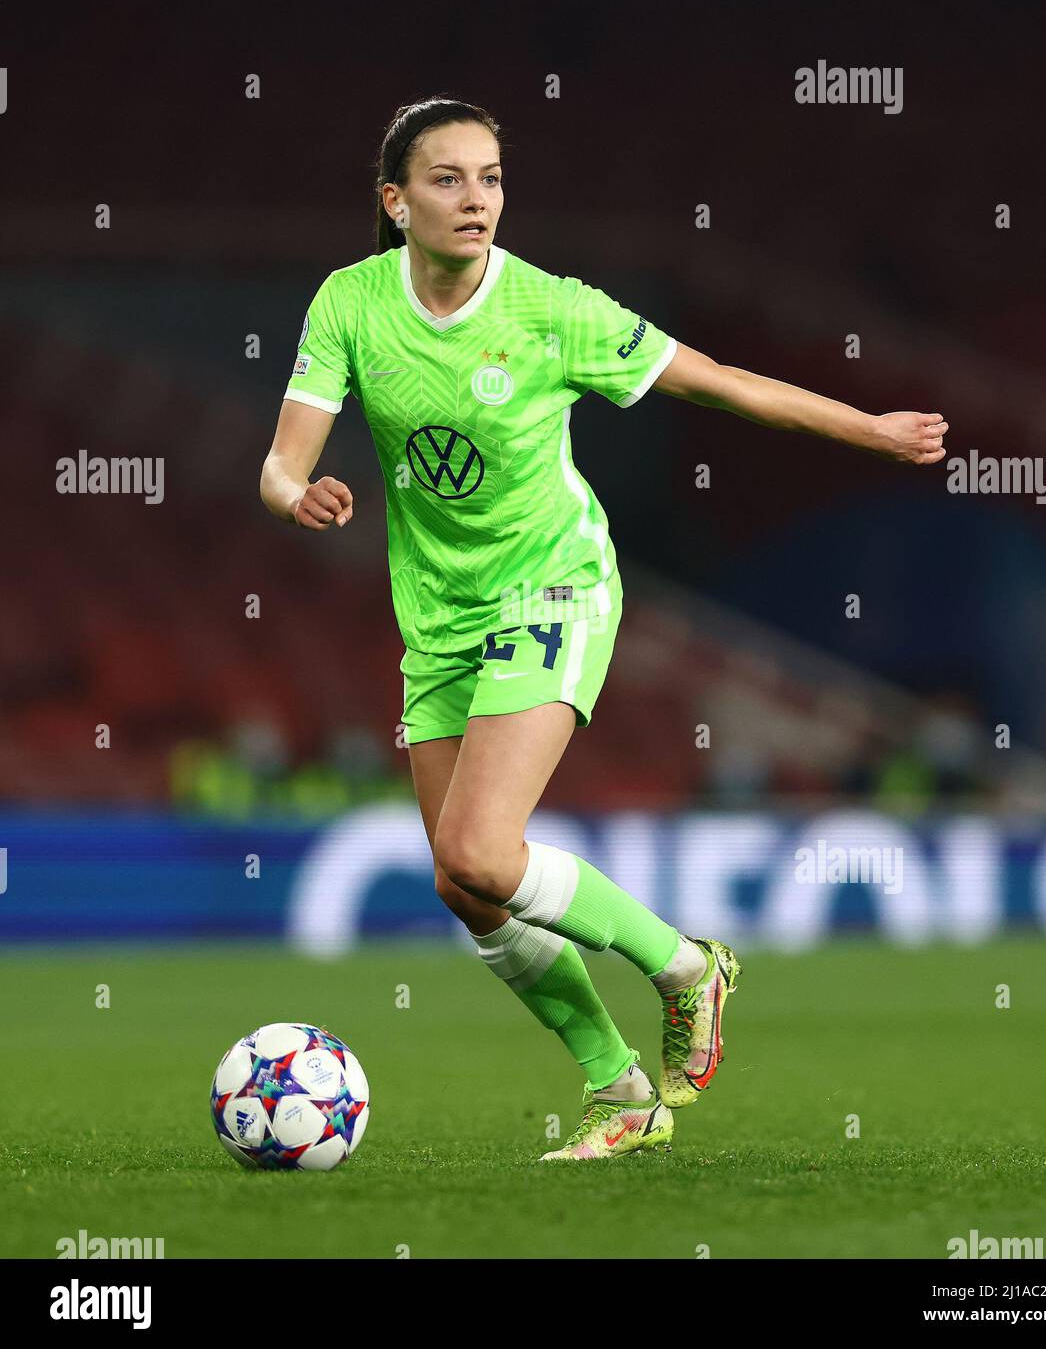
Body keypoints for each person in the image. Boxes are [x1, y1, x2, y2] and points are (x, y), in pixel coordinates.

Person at [260, 95, 948, 1160]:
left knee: (485, 849)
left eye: (490, 177)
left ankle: (685, 967)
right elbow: (282, 457)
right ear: (395, 202)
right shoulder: (349, 303)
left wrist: (867, 427)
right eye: (447, 179)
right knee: (464, 884)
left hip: (555, 585)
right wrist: (293, 492)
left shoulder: (550, 308)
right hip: (437, 614)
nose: (475, 198)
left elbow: (717, 383)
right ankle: (619, 1089)